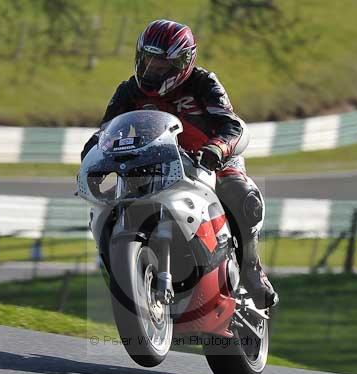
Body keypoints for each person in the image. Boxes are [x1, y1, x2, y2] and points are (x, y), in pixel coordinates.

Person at [80, 19, 278, 309]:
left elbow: (231, 126)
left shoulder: (204, 83)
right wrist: (92, 158)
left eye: (161, 65)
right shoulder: (128, 91)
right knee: (109, 206)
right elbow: (105, 132)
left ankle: (251, 267)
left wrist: (217, 148)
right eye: (148, 61)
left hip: (208, 159)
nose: (152, 70)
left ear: (182, 63)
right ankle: (127, 271)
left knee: (241, 195)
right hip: (153, 160)